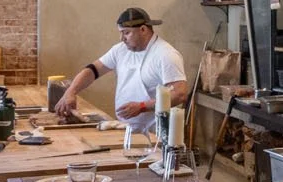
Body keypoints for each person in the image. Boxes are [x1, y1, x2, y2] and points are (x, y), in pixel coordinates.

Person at [55, 7, 189, 135]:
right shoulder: (120, 50)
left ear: (143, 29)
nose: (122, 38)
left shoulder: (166, 54)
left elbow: (180, 93)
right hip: (126, 129)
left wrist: (143, 106)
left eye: (126, 33)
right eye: (121, 33)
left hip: (156, 134)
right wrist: (71, 91)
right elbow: (93, 70)